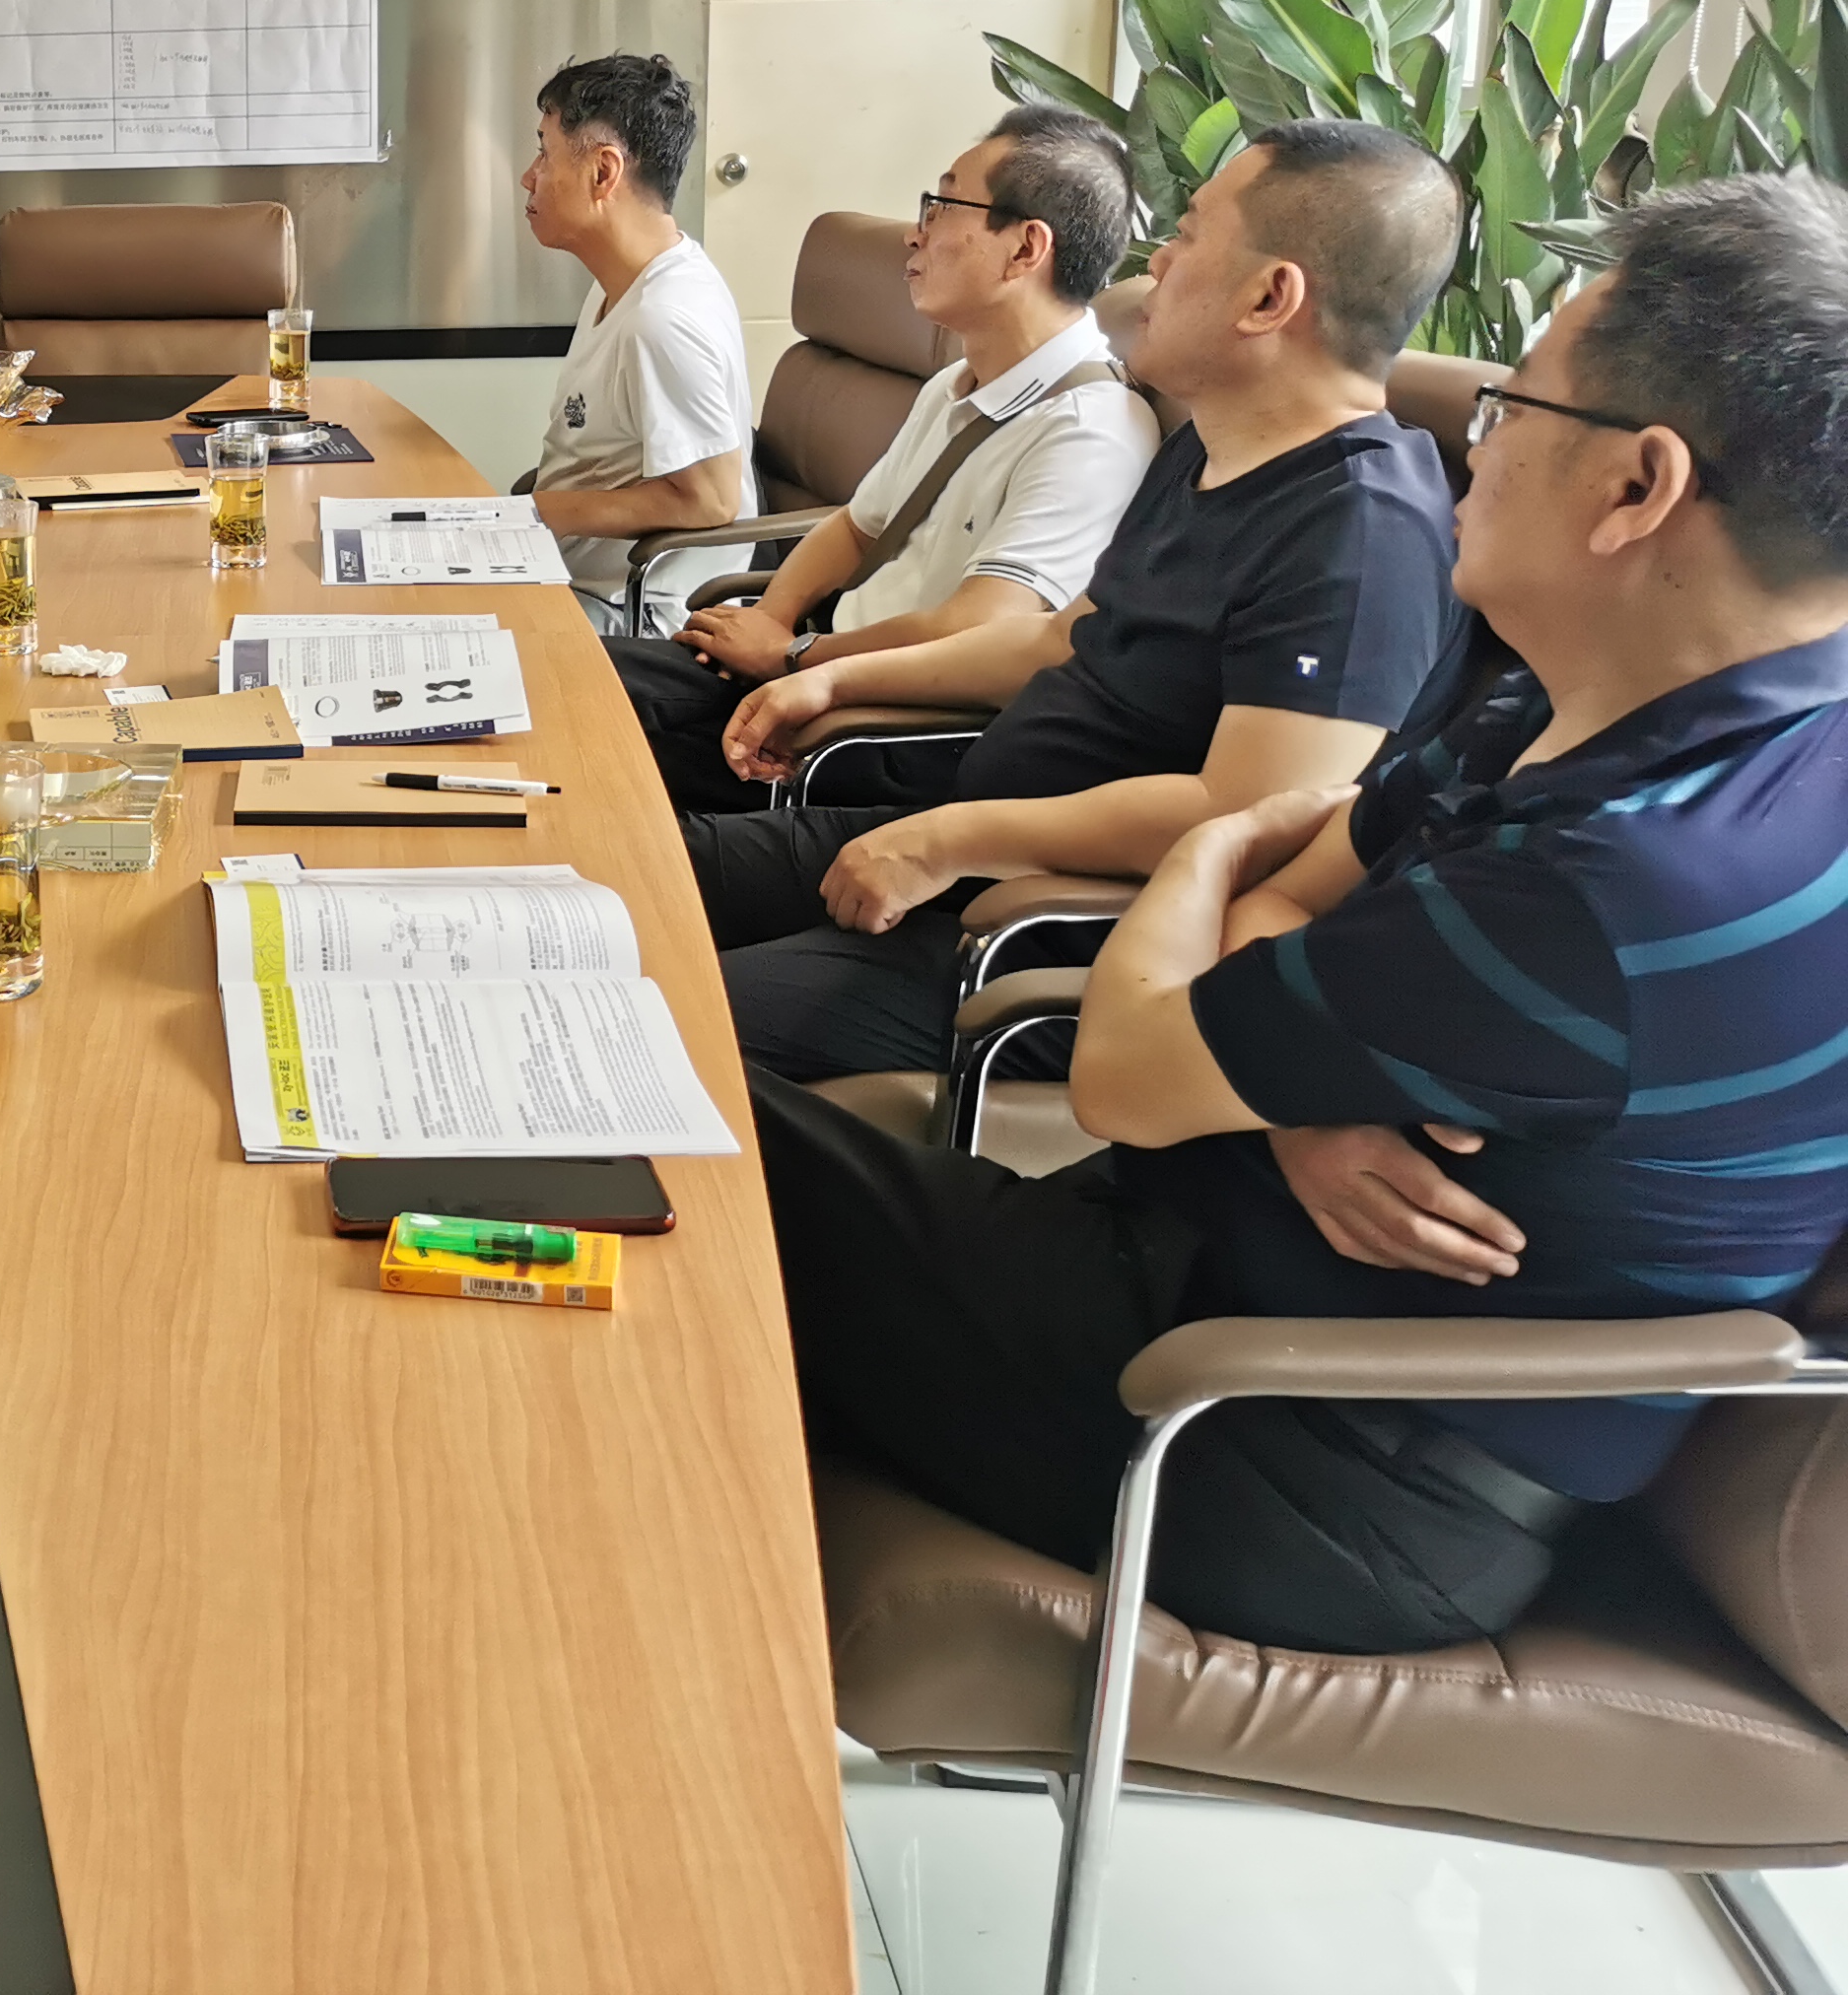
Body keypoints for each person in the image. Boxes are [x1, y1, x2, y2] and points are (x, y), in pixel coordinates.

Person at [753, 173, 1848, 1654]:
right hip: (1213, 1289)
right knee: (673, 1129)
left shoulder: (1619, 881)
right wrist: (1299, 1097)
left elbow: (1130, 1070)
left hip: (1285, 1450)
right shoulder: (1583, 703)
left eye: (1513, 408)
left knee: (671, 1143)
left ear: (1639, 488)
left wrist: (1214, 856)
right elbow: (1303, 891)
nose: (1477, 447)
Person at [696, 118, 1463, 1081]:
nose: (1156, 265)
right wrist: (830, 680)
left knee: (643, 1022)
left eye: (1188, 236)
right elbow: (1058, 641)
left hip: (1049, 935)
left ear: (1270, 297)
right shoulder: (1213, 446)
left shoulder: (1361, 533)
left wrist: (954, 839)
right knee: (624, 881)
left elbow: (1244, 816)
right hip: (973, 843)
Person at [614, 106, 1159, 812]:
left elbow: (978, 628)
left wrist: (793, 658)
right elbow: (855, 528)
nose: (914, 232)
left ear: (1026, 249)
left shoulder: (1092, 430)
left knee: (587, 754)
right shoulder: (956, 383)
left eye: (943, 206)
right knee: (561, 677)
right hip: (815, 674)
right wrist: (771, 623)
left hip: (880, 737)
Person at [516, 52, 756, 636]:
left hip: (635, 615)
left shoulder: (663, 318)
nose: (529, 176)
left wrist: (538, 514)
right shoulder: (626, 284)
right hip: (572, 579)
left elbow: (711, 501)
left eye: (545, 153)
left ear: (604, 172)